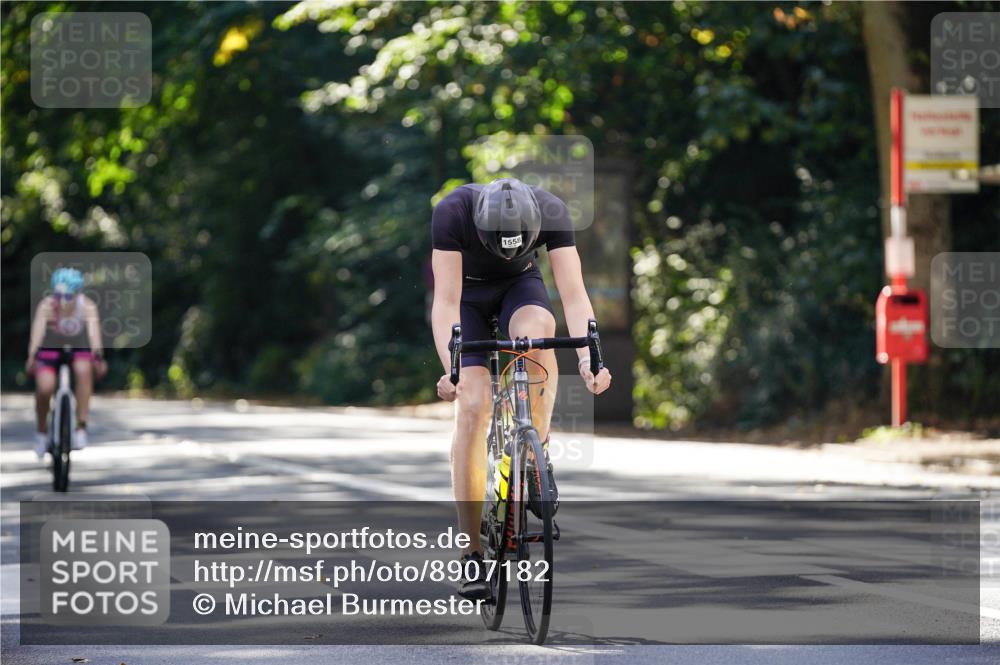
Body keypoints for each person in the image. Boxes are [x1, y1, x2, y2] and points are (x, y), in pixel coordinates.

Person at [430, 178, 612, 600]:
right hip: (466, 299)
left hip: (519, 288)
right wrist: (453, 370)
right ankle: (472, 551)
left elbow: (573, 294)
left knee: (540, 333)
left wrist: (588, 361)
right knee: (474, 406)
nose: (508, 250)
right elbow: (445, 302)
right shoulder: (453, 212)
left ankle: (535, 450)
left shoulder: (552, 210)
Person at [25, 268, 107, 459]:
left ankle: (80, 426)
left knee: (83, 370)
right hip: (49, 349)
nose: (63, 300)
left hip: (77, 349)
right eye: (59, 295)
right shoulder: (46, 306)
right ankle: (42, 431)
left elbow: (95, 337)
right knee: (45, 387)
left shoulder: (87, 306)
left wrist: (98, 357)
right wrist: (31, 357)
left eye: (68, 295)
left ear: (78, 293)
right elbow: (36, 335)